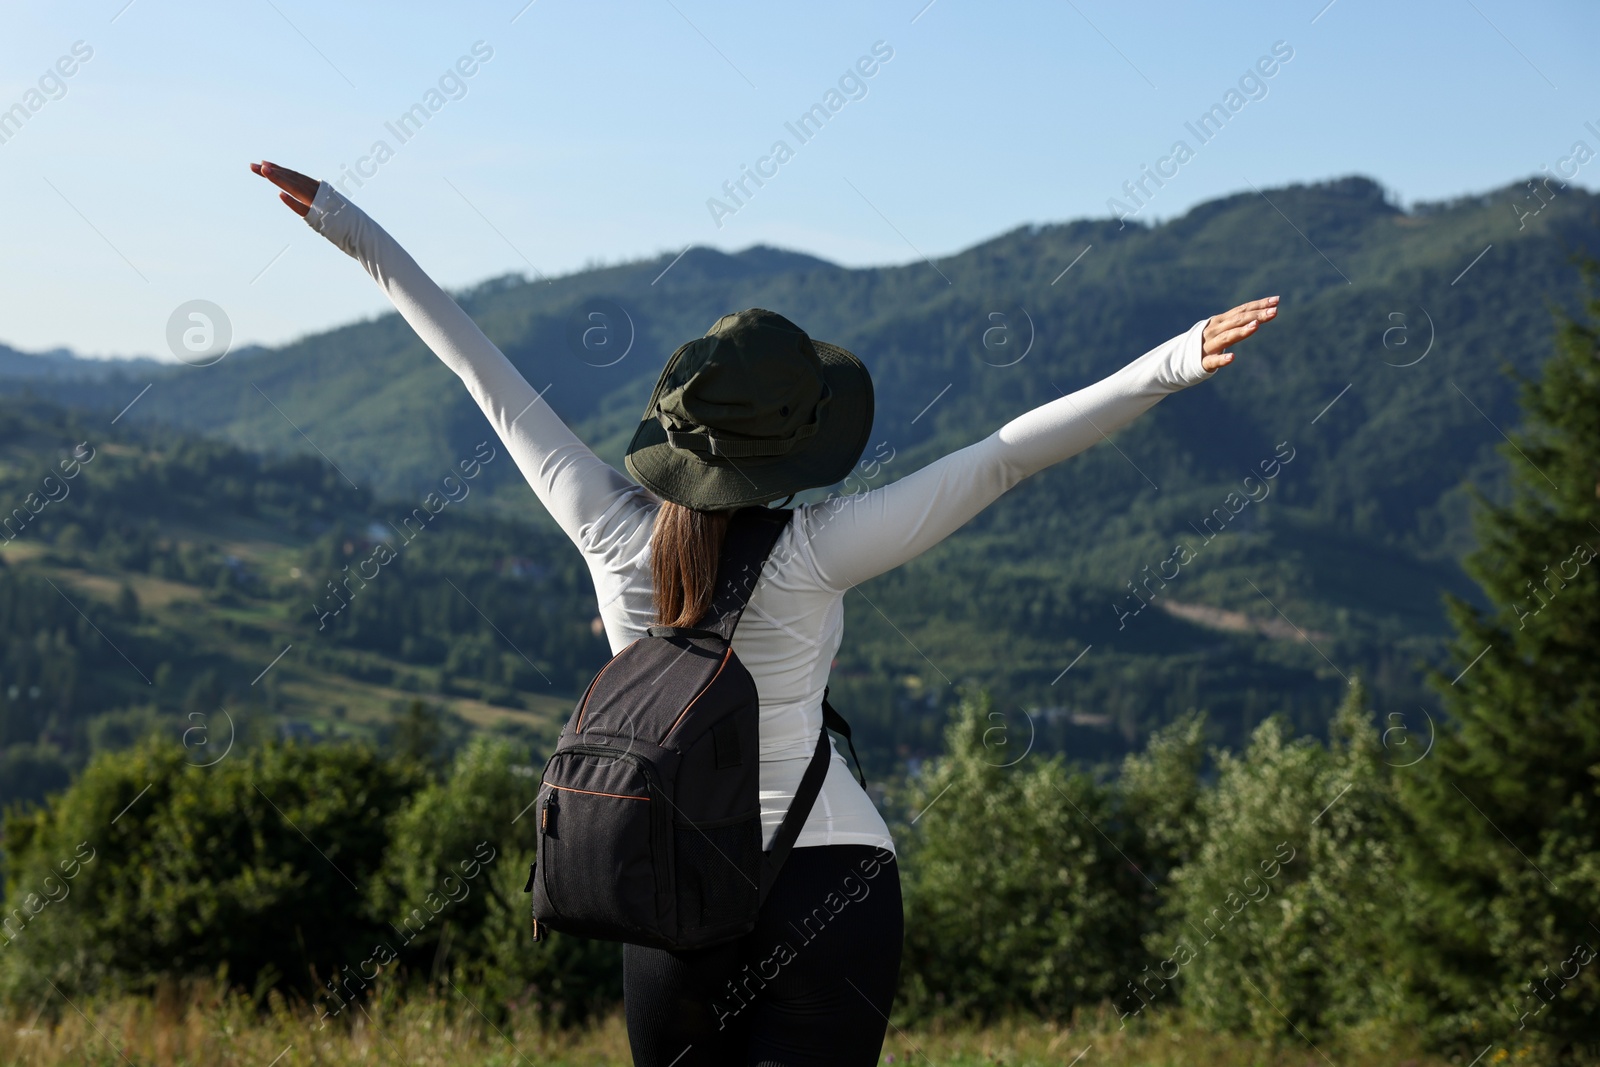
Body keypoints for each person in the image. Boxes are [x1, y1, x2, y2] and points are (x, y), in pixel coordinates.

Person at [251, 159, 1278, 1065]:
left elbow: (480, 370)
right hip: (829, 882)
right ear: (791, 451)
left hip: (666, 887)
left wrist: (346, 221)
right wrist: (1172, 359)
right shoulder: (818, 548)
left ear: (672, 432)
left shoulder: (607, 528)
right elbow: (1003, 456)